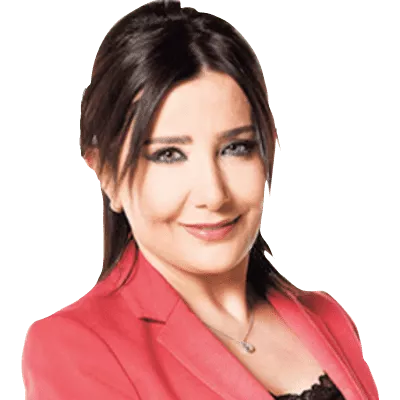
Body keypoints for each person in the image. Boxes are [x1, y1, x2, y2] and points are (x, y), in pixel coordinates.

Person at [20, 0, 380, 399]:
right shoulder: (76, 348)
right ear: (106, 173)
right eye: (168, 154)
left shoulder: (328, 318)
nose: (214, 194)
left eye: (236, 147)